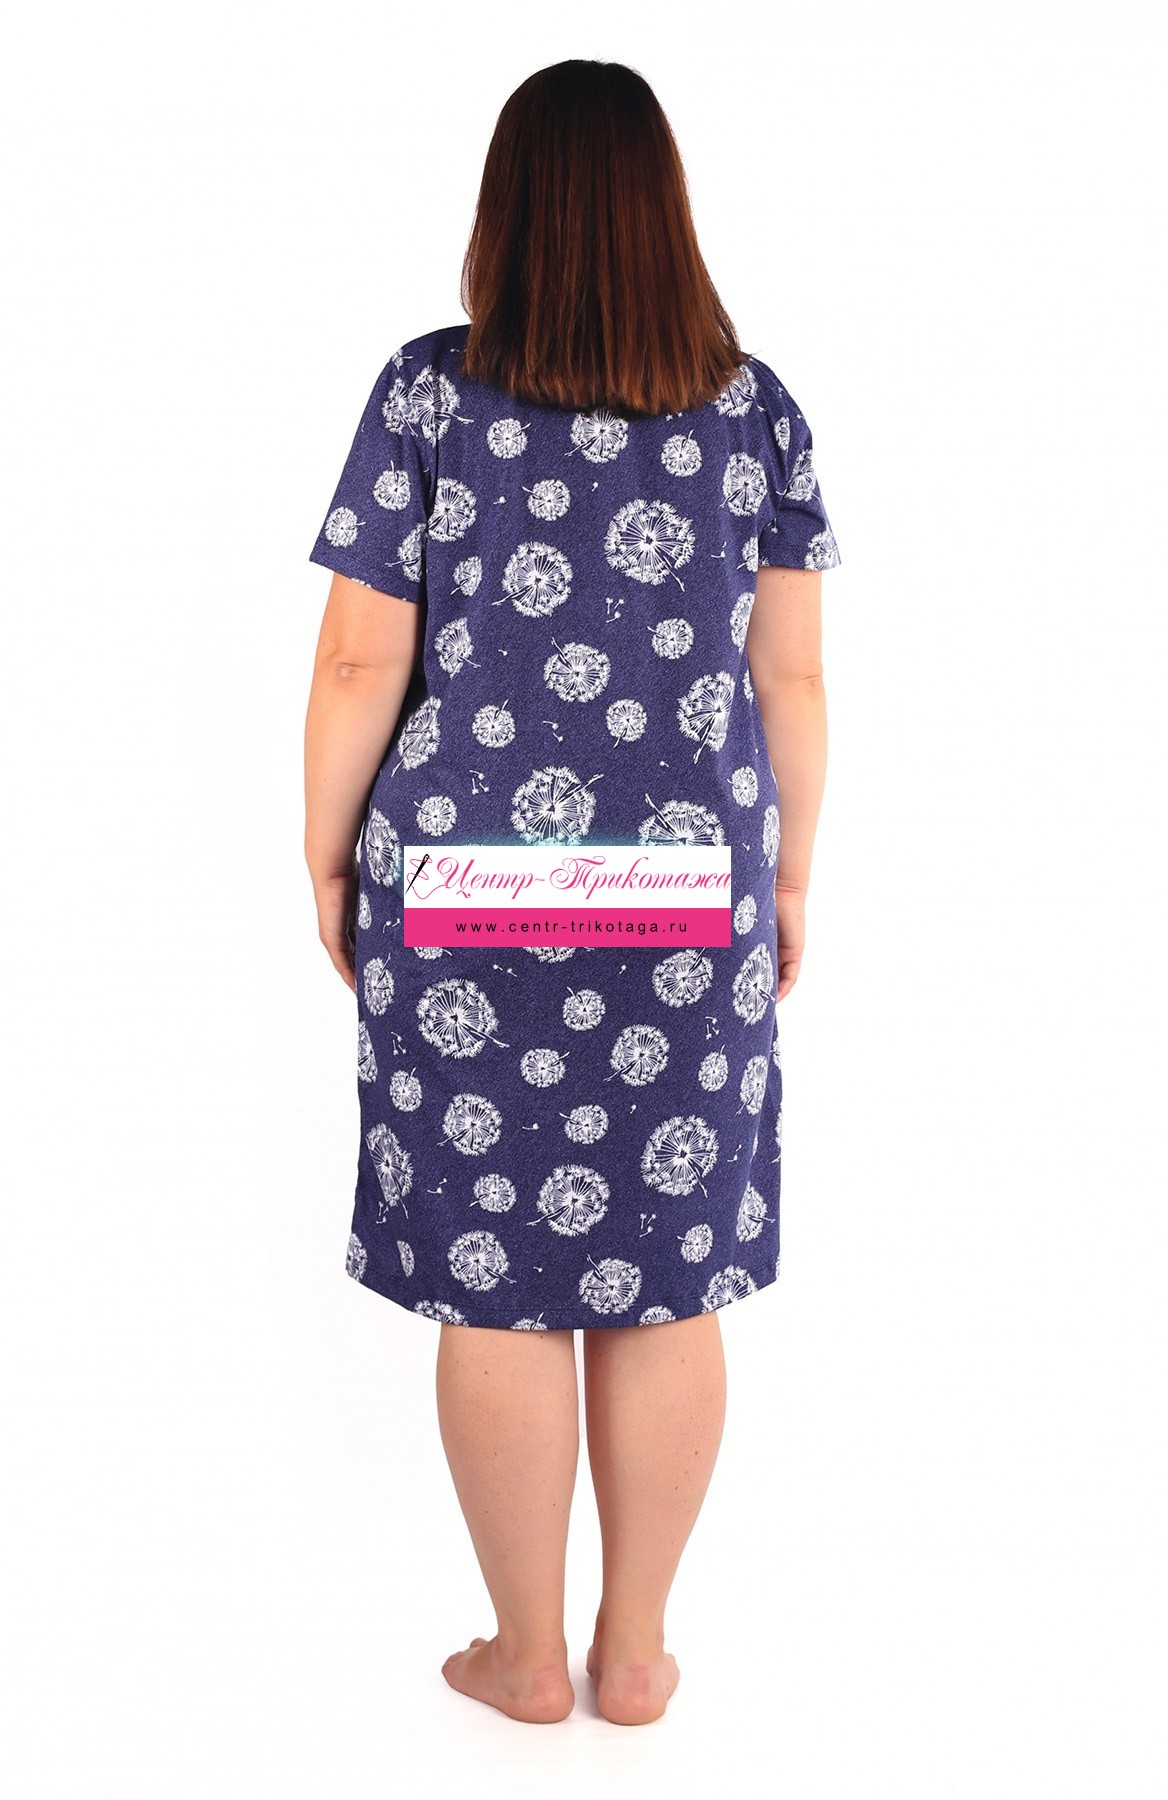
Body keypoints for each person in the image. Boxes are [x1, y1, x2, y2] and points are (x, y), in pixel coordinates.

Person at [303, 58, 841, 1728]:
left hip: (465, 887)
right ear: (666, 213)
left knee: (497, 1269)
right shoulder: (753, 413)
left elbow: (358, 659)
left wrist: (326, 850)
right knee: (665, 1269)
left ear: (507, 211)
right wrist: (789, 876)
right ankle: (639, 1651)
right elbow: (791, 679)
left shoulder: (426, 396)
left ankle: (524, 1654)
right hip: (686, 892)